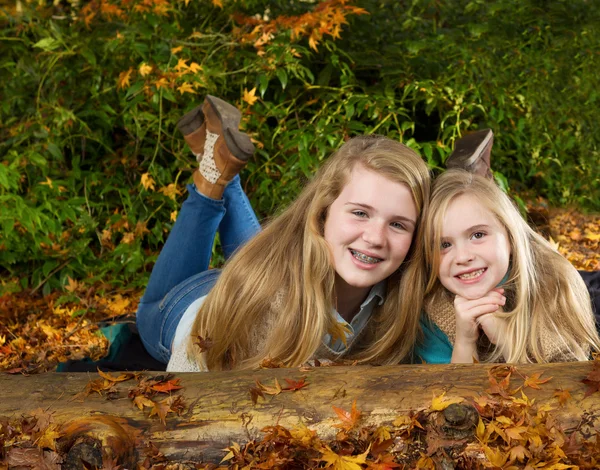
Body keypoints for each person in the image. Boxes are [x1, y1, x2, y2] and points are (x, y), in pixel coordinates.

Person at [136, 95, 431, 372]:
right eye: (360, 213)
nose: (376, 237)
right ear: (323, 211)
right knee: (148, 311)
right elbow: (188, 382)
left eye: (398, 224)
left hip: (255, 278)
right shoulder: (260, 305)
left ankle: (220, 163)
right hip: (190, 313)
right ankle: (211, 179)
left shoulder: (406, 291)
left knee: (262, 265)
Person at [414, 170, 600, 364]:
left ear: (510, 236)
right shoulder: (433, 309)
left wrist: (507, 342)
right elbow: (452, 391)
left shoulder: (555, 286)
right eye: (444, 245)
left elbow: (567, 384)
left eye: (478, 235)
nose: (462, 257)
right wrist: (465, 341)